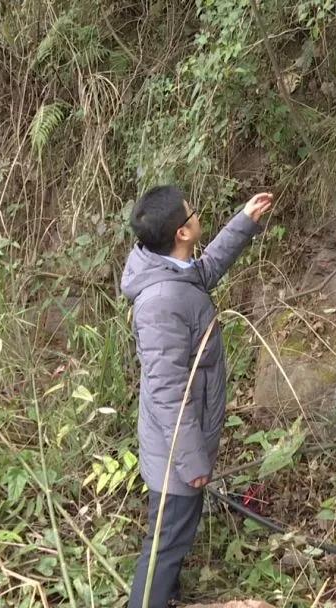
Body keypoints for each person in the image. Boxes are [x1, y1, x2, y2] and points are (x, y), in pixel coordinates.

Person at [120, 186, 273, 608]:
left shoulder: (167, 270)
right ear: (184, 232)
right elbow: (169, 392)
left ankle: (164, 598)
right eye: (194, 213)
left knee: (169, 538)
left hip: (176, 443)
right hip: (175, 450)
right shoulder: (162, 301)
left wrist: (244, 222)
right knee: (165, 546)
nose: (197, 215)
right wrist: (191, 461)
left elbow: (202, 273)